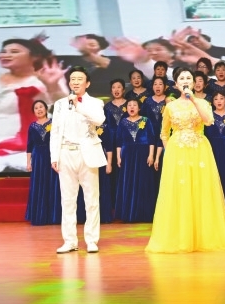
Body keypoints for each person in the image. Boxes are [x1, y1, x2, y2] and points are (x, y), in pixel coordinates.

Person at [146, 68, 225, 253]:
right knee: (180, 192)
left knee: (201, 190)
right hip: (177, 152)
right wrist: (170, 151)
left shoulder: (203, 103)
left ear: (195, 82)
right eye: (182, 78)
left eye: (189, 78)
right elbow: (164, 133)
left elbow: (209, 121)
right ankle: (180, 237)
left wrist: (194, 100)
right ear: (175, 84)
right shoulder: (170, 106)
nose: (186, 81)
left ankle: (203, 238)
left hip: (199, 151)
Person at [0, 36, 69, 173]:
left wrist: (52, 86)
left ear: (34, 57)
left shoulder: (45, 79)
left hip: (25, 141)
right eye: (3, 51)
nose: (5, 55)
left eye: (14, 52)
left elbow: (64, 107)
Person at [49, 66, 107, 253]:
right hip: (66, 152)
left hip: (87, 153)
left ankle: (91, 240)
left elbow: (99, 120)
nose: (75, 82)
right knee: (67, 200)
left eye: (79, 79)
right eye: (72, 79)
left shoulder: (95, 102)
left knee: (91, 200)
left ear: (87, 83)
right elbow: (55, 131)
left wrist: (78, 106)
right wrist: (54, 156)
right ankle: (70, 241)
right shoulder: (60, 104)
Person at [114, 100, 158, 223]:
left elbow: (151, 139)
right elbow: (119, 141)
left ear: (139, 108)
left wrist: (151, 155)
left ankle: (143, 214)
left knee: (143, 182)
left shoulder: (146, 120)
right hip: (127, 155)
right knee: (127, 182)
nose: (131, 107)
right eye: (129, 105)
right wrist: (118, 157)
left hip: (143, 154)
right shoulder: (123, 122)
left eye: (134, 105)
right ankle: (128, 213)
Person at [25, 100, 61, 226]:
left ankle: (54, 216)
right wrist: (28, 162)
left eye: (41, 107)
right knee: (39, 185)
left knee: (53, 184)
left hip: (52, 156)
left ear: (46, 109)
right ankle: (39, 216)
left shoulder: (54, 123)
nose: (39, 109)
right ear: (34, 112)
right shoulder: (32, 126)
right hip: (38, 158)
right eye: (36, 108)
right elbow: (29, 146)